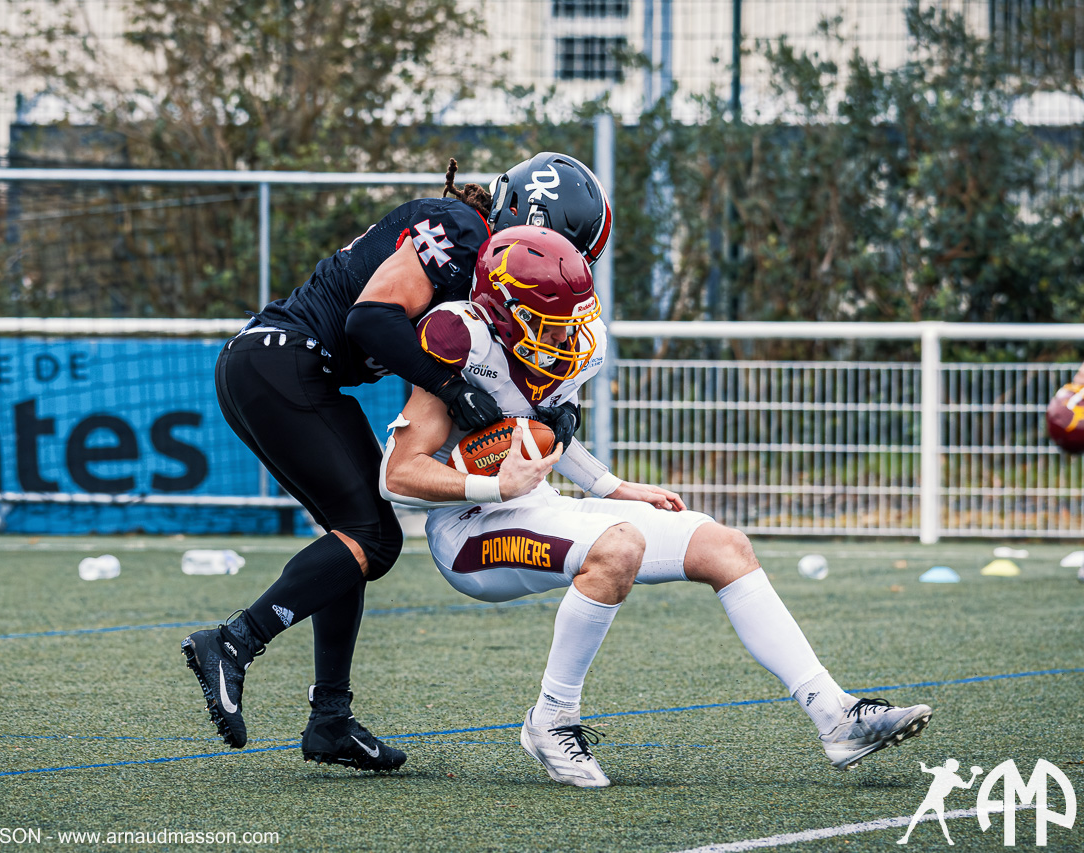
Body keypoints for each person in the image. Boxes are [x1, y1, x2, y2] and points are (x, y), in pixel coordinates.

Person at [378, 225, 934, 787]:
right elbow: (396, 476)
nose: (567, 334)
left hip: (532, 501)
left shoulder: (560, 345)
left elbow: (536, 436)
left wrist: (612, 487)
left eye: (572, 318)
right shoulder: (460, 342)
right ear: (504, 312)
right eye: (552, 321)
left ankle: (834, 715)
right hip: (467, 530)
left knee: (724, 546)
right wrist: (493, 489)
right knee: (617, 549)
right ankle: (551, 720)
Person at [180, 153, 613, 772]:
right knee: (373, 537)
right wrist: (452, 387)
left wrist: (556, 416)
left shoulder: (483, 255)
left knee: (355, 537)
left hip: (284, 367)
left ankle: (330, 719)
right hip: (281, 361)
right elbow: (371, 318)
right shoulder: (463, 232)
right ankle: (233, 642)